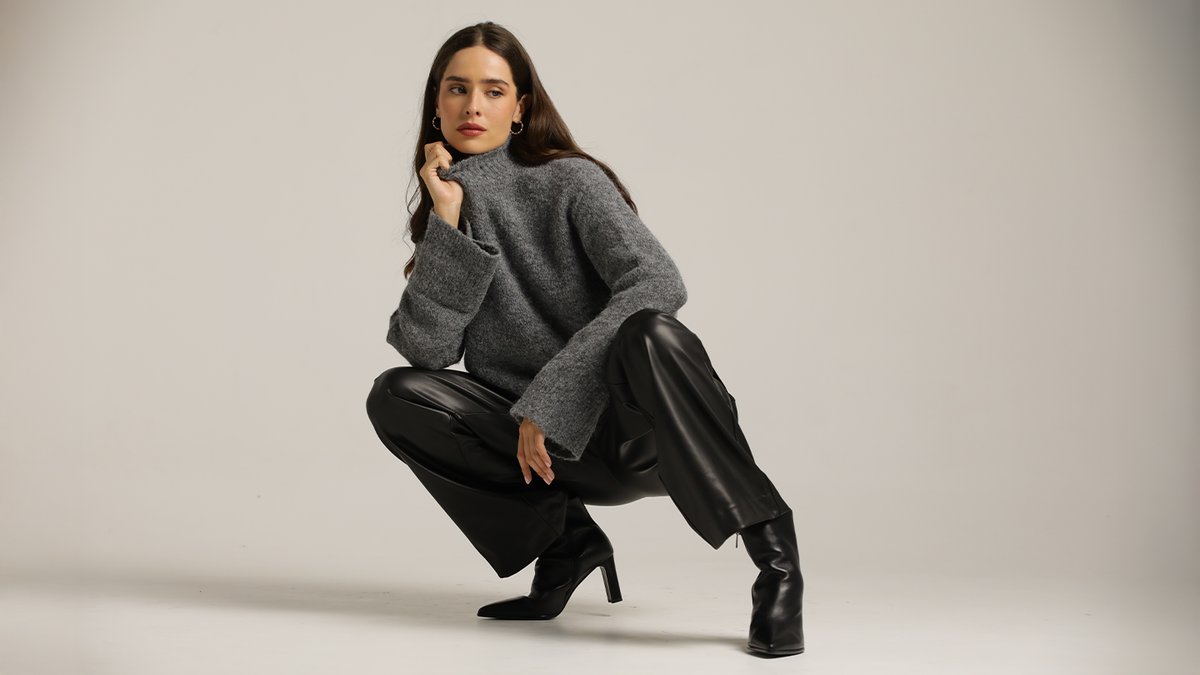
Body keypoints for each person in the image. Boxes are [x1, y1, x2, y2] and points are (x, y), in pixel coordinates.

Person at [365, 21, 804, 658]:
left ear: (520, 108)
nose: (473, 106)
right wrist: (448, 221)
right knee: (397, 394)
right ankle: (567, 545)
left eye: (493, 91)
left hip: (637, 433)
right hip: (539, 458)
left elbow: (658, 280)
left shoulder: (569, 180)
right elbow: (427, 353)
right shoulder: (447, 203)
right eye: (457, 89)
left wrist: (552, 399)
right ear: (437, 103)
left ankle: (777, 565)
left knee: (653, 332)